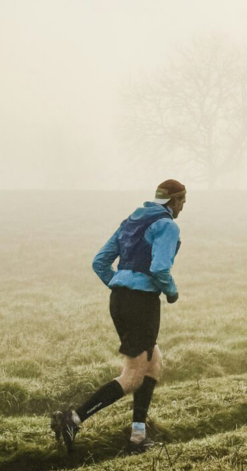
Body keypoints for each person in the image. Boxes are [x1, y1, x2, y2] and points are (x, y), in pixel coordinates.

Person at [51, 179, 186, 453]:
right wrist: (171, 292)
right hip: (142, 303)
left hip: (120, 300)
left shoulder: (131, 221)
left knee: (154, 363)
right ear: (174, 201)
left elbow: (100, 262)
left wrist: (122, 283)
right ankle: (73, 418)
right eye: (183, 201)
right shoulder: (167, 225)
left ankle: (138, 436)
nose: (183, 207)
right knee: (134, 374)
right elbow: (160, 268)